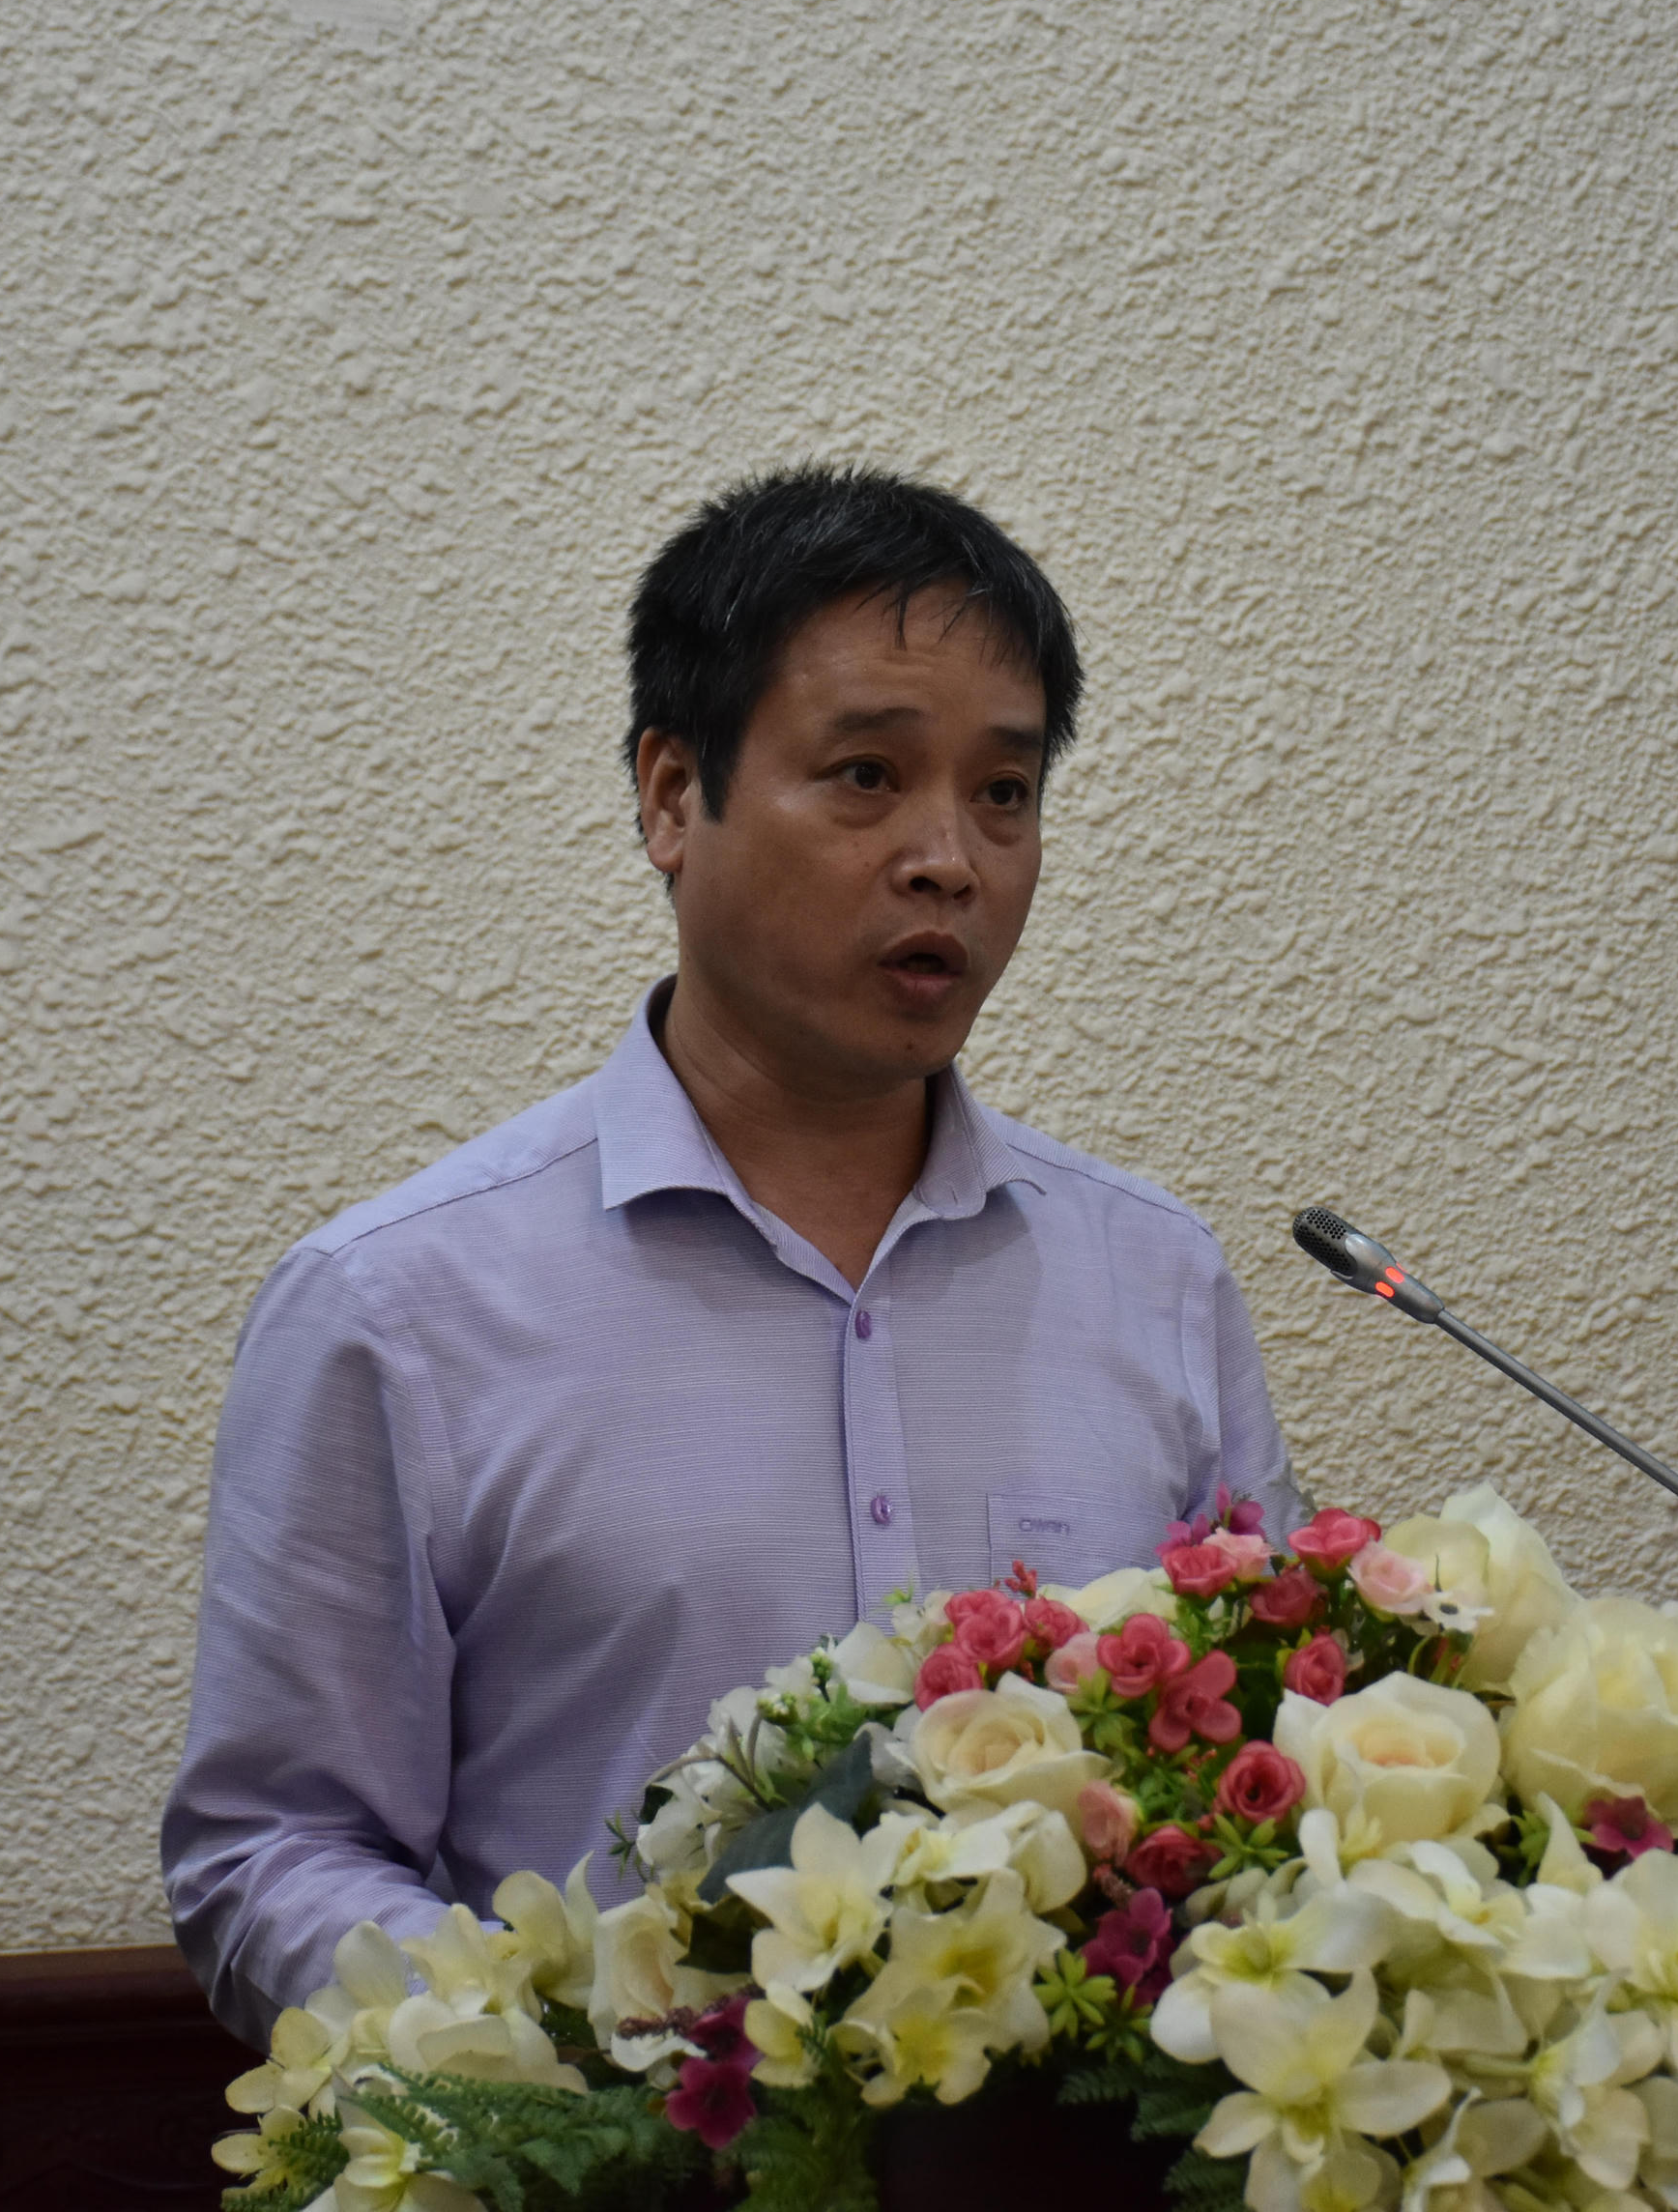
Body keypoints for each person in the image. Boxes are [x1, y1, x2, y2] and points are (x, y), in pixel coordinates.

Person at [160, 465, 1303, 2045]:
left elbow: (1259, 1764)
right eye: (865, 775)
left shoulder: (1155, 1280)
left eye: (1004, 792)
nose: (950, 859)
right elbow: (270, 1851)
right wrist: (568, 2060)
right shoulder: (399, 1307)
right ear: (668, 795)